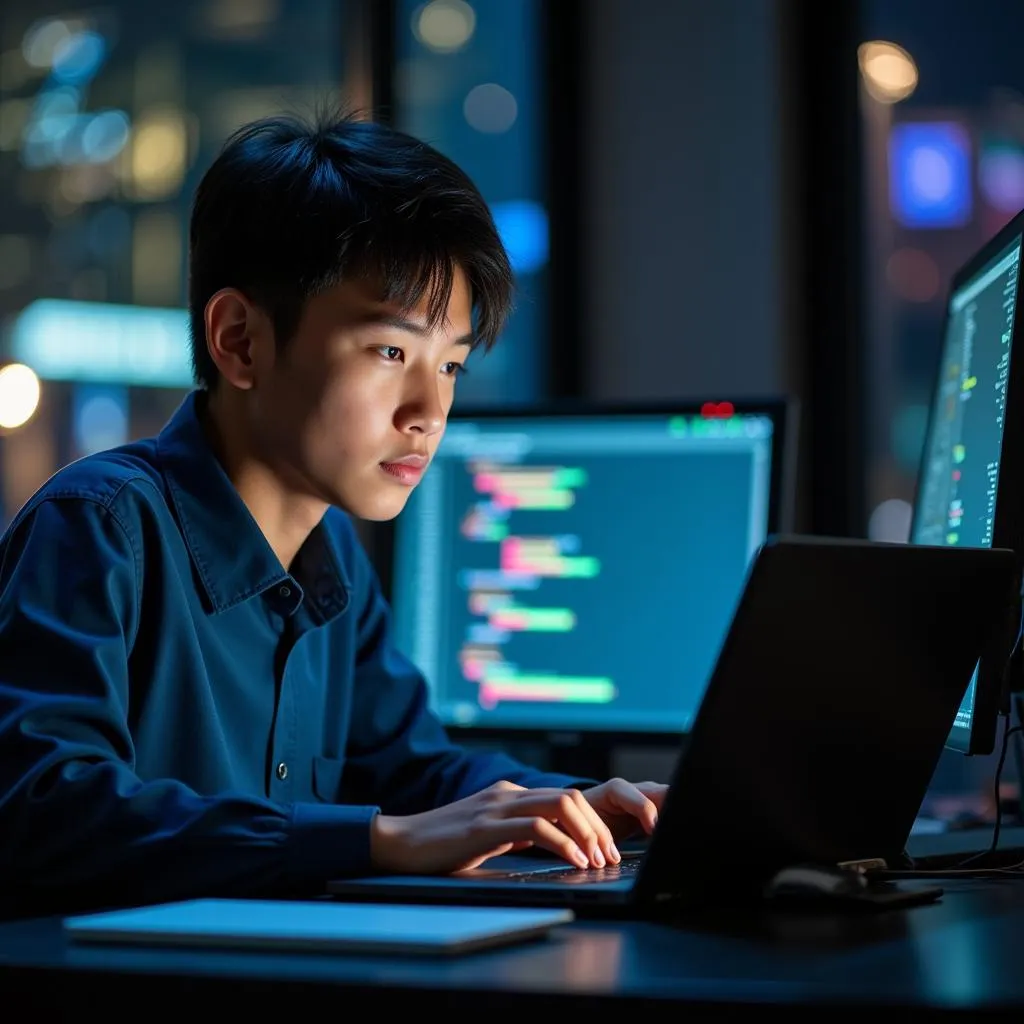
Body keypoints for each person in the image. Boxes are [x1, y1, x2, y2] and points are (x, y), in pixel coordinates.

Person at [0, 108, 666, 915]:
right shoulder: (100, 528)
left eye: (450, 364)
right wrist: (380, 839)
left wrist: (587, 803)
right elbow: (43, 813)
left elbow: (417, 769)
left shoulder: (332, 553)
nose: (430, 410)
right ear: (240, 341)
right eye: (391, 352)